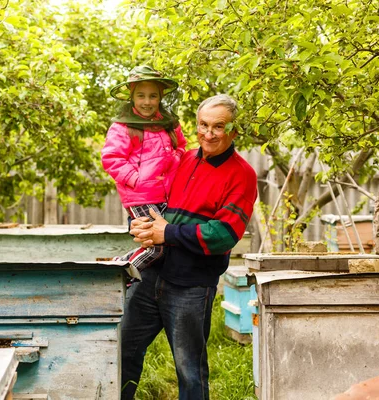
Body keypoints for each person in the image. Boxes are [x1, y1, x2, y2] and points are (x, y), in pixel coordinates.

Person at [120, 94, 258, 400]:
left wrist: (167, 233)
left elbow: (223, 234)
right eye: (203, 125)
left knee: (189, 370)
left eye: (218, 127)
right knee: (121, 353)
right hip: (150, 276)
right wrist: (142, 224)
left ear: (234, 130)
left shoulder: (242, 174)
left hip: (191, 286)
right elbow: (157, 205)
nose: (208, 134)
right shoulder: (182, 160)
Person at [101, 65, 187, 277]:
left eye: (152, 96)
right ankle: (120, 272)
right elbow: (111, 158)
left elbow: (181, 147)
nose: (147, 102)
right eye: (141, 95)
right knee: (155, 248)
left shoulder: (168, 124)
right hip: (140, 197)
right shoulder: (123, 127)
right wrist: (137, 179)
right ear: (132, 96)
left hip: (166, 195)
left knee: (162, 243)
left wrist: (175, 160)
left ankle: (122, 266)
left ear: (160, 97)